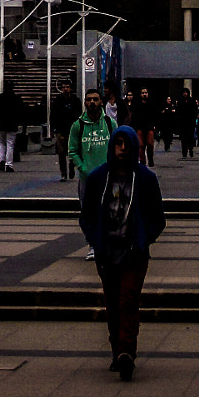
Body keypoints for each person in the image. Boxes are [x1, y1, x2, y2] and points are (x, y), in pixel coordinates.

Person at [79, 123, 166, 381]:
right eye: (118, 144)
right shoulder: (98, 178)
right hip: (107, 252)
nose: (122, 149)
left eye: (127, 145)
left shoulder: (146, 179)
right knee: (113, 303)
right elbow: (87, 216)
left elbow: (157, 218)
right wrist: (95, 239)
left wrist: (143, 240)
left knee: (128, 300)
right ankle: (117, 350)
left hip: (133, 253)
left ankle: (127, 351)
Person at [68, 89, 113, 254]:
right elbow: (72, 151)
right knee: (89, 213)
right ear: (85, 103)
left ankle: (106, 243)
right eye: (89, 100)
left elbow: (116, 147)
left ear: (101, 102)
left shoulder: (109, 123)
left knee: (109, 212)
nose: (92, 102)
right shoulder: (77, 126)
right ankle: (93, 245)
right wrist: (83, 168)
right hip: (87, 179)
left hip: (108, 177)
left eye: (95, 99)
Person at [0, 80, 25, 170]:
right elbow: (21, 111)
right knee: (10, 143)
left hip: (1, 123)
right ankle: (8, 164)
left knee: (1, 142)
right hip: (12, 124)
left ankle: (1, 159)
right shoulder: (17, 98)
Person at [49, 79, 77, 181]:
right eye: (64, 87)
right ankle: (63, 173)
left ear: (70, 88)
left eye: (67, 87)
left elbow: (78, 115)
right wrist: (52, 129)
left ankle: (71, 167)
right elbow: (53, 115)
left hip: (72, 130)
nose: (66, 89)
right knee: (61, 152)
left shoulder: (75, 100)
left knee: (72, 151)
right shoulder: (57, 100)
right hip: (60, 130)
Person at [177, 92, 197, 160]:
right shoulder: (180, 101)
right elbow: (178, 111)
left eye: (186, 92)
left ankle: (191, 150)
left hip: (190, 122)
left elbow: (195, 111)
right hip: (182, 123)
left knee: (190, 138)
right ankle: (184, 153)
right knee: (183, 139)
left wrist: (194, 119)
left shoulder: (192, 101)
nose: (185, 94)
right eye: (184, 92)